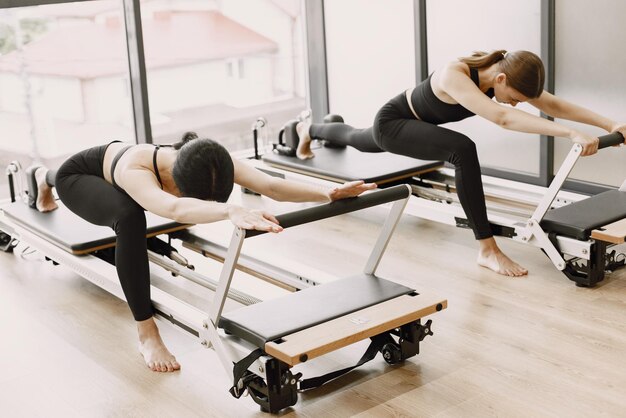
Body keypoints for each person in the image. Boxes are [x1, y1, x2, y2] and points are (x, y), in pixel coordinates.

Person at [30, 132, 376, 372]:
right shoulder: (136, 169)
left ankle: (40, 176)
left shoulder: (210, 158)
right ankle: (146, 332)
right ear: (177, 180)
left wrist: (329, 192)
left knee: (154, 214)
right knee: (130, 218)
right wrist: (228, 211)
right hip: (80, 175)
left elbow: (270, 186)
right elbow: (173, 208)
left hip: (113, 163)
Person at [295, 49, 626, 277]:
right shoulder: (456, 74)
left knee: (358, 138)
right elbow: (503, 118)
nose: (518, 104)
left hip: (411, 123)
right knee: (460, 150)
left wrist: (609, 124)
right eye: (517, 98)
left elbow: (554, 104)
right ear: (500, 81)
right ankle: (487, 249)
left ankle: (307, 129)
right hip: (393, 122)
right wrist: (570, 134)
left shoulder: (505, 71)